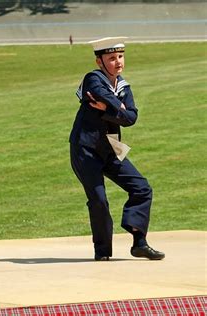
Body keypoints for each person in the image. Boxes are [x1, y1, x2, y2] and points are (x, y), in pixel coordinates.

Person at [69, 37, 165, 261]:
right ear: (99, 61)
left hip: (112, 147)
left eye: (120, 56)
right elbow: (108, 100)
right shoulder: (93, 78)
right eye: (112, 58)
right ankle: (103, 253)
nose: (118, 62)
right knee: (99, 200)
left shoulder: (123, 86)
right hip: (85, 148)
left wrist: (111, 108)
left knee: (142, 188)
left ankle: (139, 242)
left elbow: (131, 118)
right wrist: (116, 106)